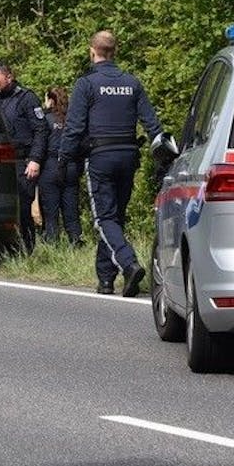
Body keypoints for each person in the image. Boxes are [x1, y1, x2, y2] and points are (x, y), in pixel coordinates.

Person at [61, 30, 173, 296]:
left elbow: (74, 127)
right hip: (128, 156)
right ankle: (106, 278)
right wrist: (164, 156)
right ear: (115, 51)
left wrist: (64, 158)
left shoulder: (86, 84)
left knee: (103, 218)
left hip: (100, 156)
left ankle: (129, 263)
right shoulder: (132, 83)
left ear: (92, 50)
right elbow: (152, 125)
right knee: (114, 216)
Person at [0, 60, 48, 253]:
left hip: (23, 161)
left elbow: (41, 130)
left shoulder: (26, 98)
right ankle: (1, 250)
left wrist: (35, 159)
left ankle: (27, 250)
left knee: (22, 208)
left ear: (9, 77)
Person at [38, 86, 83, 246]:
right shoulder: (73, 119)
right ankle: (76, 242)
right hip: (71, 166)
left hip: (50, 166)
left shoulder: (45, 118)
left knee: (51, 212)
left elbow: (40, 143)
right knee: (71, 210)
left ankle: (52, 244)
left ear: (50, 99)